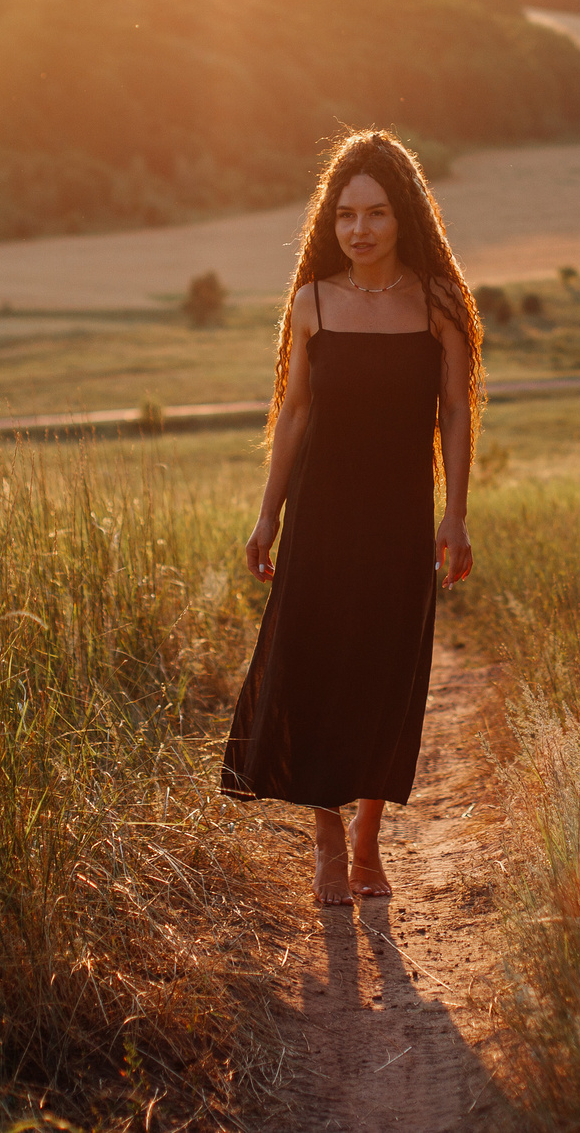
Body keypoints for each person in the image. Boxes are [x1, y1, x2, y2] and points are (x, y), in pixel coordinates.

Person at [219, 129, 481, 906]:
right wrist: (267, 516)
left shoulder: (438, 306)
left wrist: (455, 517)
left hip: (398, 519)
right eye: (344, 216)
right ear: (329, 224)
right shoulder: (313, 303)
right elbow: (294, 412)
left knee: (384, 672)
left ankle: (369, 844)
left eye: (374, 213)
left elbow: (457, 417)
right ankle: (328, 846)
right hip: (321, 516)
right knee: (317, 668)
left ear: (403, 215)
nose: (359, 230)